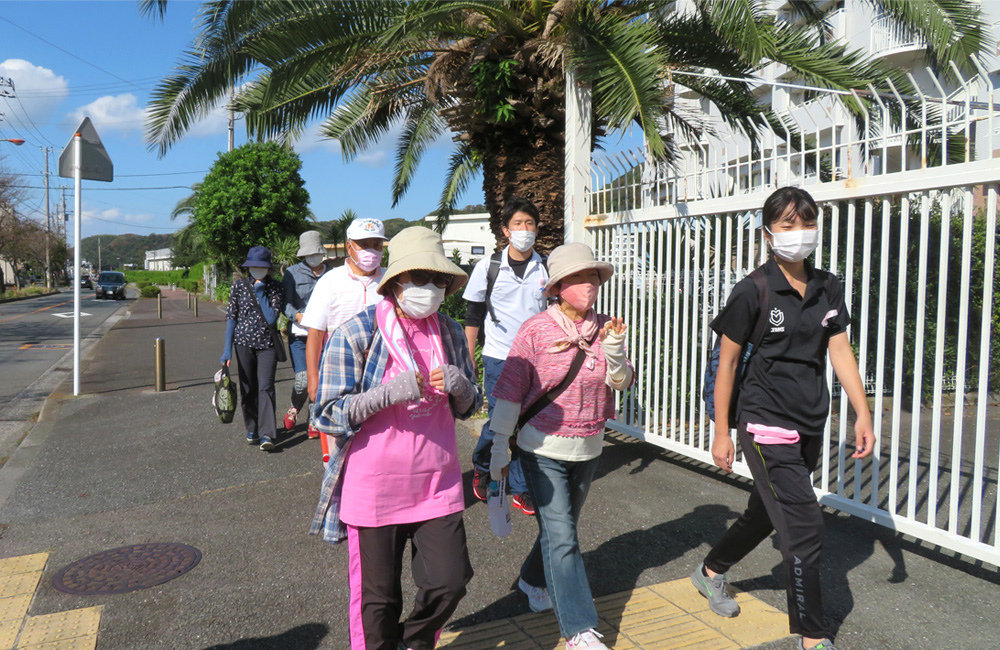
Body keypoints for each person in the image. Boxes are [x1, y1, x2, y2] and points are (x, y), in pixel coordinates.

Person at [692, 187, 876, 650]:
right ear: (768, 232)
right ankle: (812, 636)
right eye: (788, 224)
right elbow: (728, 364)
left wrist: (863, 412)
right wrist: (720, 430)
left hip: (809, 421)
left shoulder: (827, 285)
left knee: (764, 513)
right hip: (763, 422)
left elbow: (839, 350)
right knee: (804, 527)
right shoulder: (753, 289)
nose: (799, 233)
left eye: (806, 222)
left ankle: (710, 571)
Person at [309, 226, 483, 650]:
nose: (430, 289)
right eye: (420, 278)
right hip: (374, 489)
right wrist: (384, 395)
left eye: (439, 280)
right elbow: (327, 412)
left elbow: (470, 406)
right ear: (396, 281)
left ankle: (414, 641)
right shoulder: (357, 332)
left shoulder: (452, 332)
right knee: (378, 601)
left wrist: (462, 385)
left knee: (450, 581)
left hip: (436, 483)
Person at [489, 243, 633, 650]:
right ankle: (579, 629)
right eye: (578, 278)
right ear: (557, 286)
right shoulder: (535, 329)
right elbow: (511, 391)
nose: (589, 285)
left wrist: (616, 351)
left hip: (589, 446)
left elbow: (621, 382)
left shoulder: (608, 326)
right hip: (541, 447)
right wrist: (501, 446)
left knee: (561, 531)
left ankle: (533, 579)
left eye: (594, 277)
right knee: (563, 536)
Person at [464, 197, 549, 515]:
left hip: (536, 360)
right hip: (500, 357)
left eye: (529, 224)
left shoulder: (547, 267)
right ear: (505, 230)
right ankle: (483, 466)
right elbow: (473, 314)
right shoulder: (488, 267)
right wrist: (469, 354)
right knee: (501, 424)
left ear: (537, 229)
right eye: (518, 224)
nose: (524, 229)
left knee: (529, 424)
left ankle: (520, 487)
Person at [302, 217, 388, 406]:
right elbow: (315, 333)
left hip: (382, 373)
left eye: (377, 245)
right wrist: (313, 377)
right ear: (349, 247)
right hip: (337, 372)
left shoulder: (391, 281)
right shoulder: (330, 281)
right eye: (364, 245)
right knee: (339, 428)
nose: (371, 251)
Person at [220, 246, 286, 451]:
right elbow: (232, 318)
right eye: (254, 266)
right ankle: (252, 427)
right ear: (249, 267)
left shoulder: (276, 287)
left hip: (267, 345)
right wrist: (227, 349)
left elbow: (271, 317)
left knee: (266, 387)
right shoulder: (238, 287)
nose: (258, 269)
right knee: (248, 387)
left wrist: (261, 293)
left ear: (268, 268)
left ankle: (268, 434)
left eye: (262, 266)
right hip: (243, 344)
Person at [281, 230, 334, 439]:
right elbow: (285, 303)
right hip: (300, 335)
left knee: (320, 379)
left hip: (324, 335)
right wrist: (297, 316)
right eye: (310, 253)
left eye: (317, 253)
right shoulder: (292, 273)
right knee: (303, 379)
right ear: (303, 254)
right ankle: (294, 407)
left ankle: (313, 420)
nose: (314, 257)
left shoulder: (332, 274)